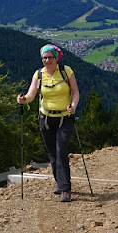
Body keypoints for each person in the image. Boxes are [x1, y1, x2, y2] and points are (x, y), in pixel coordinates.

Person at [17, 44, 80, 203]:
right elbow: (32, 94)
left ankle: (65, 189)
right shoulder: (39, 75)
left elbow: (76, 92)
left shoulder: (66, 71)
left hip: (65, 117)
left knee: (61, 151)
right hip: (45, 119)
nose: (47, 60)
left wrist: (73, 106)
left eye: (50, 57)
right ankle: (60, 183)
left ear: (56, 58)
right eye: (44, 58)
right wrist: (24, 99)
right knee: (52, 153)